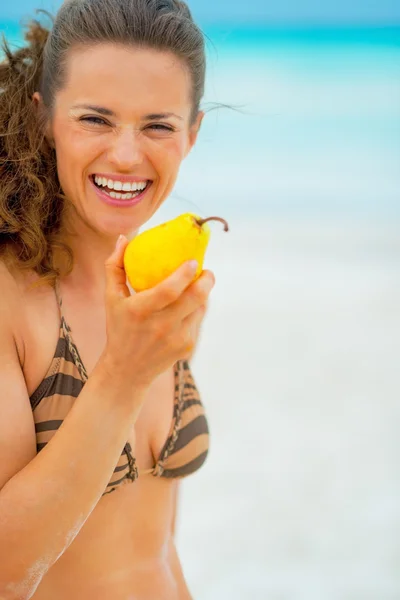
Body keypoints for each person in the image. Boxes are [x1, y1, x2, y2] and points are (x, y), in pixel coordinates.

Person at [0, 0, 216, 598]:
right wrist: (124, 374)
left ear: (192, 133)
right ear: (44, 118)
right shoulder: (10, 298)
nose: (126, 155)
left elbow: (157, 547)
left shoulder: (157, 280)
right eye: (95, 119)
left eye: (158, 125)